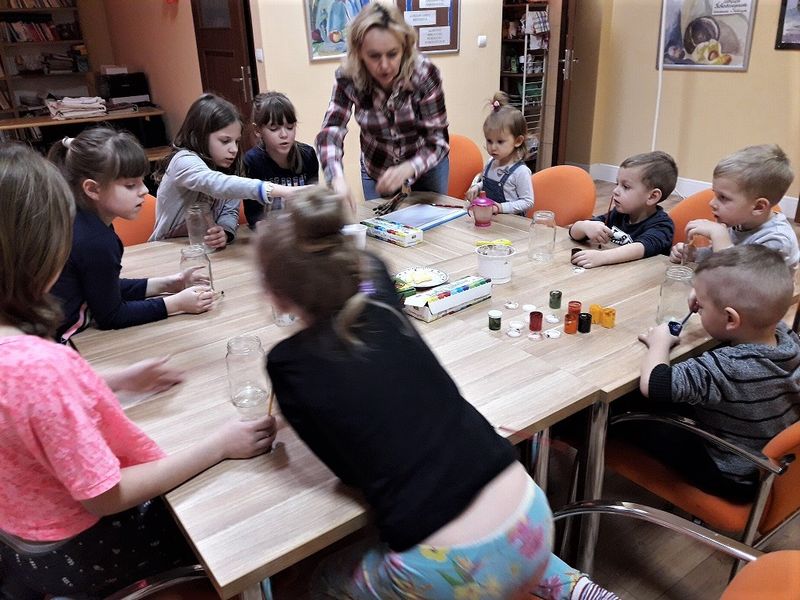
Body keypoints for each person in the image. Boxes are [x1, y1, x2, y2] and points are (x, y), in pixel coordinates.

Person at [256, 187, 617, 600]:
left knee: (326, 578)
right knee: (504, 556)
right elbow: (371, 266)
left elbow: (349, 474)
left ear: (276, 295)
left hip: (447, 566)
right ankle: (568, 585)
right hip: (531, 514)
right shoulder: (381, 298)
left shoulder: (287, 364)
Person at [0, 143, 277, 599]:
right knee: (234, 512)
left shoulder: (21, 354)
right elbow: (104, 495)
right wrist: (219, 446)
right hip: (79, 551)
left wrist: (114, 379)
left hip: (24, 545)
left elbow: (25, 400)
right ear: (41, 249)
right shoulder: (42, 367)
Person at [633, 245, 800, 501]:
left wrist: (659, 343)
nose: (696, 308)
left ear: (731, 320)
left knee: (630, 411)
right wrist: (708, 295)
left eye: (701, 306)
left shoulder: (728, 366)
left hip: (731, 474)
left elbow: (655, 385)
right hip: (769, 466)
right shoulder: (786, 338)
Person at [48, 128, 214, 344]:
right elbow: (111, 315)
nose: (144, 190)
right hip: (58, 343)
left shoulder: (82, 221)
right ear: (92, 189)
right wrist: (176, 304)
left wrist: (169, 284)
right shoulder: (95, 241)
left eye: (142, 181)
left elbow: (102, 287)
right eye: (130, 185)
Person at [316, 2, 450, 208]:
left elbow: (437, 140)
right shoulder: (348, 76)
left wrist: (408, 168)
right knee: (379, 224)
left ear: (404, 48)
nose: (385, 65)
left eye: (392, 54)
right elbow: (331, 131)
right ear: (359, 53)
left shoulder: (424, 74)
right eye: (374, 56)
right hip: (377, 165)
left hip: (425, 163)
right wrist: (336, 179)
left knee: (433, 222)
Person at [151, 93, 303, 247]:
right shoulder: (183, 161)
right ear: (199, 135)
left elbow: (229, 211)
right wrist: (281, 190)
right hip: (165, 248)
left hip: (206, 250)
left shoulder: (229, 166)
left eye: (236, 142)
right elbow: (216, 183)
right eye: (225, 141)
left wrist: (224, 231)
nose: (234, 149)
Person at [670, 144, 798, 269]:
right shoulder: (741, 222)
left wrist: (719, 236)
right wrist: (695, 255)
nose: (712, 203)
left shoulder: (776, 241)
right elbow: (719, 254)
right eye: (715, 194)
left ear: (758, 207)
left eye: (723, 197)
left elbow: (738, 277)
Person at [569, 151, 677, 268]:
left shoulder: (662, 225)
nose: (615, 191)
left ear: (652, 196)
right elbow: (574, 233)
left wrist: (602, 257)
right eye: (617, 184)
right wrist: (584, 226)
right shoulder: (618, 214)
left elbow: (641, 247)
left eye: (626, 187)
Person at [243, 91, 318, 229]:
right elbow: (254, 216)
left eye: (290, 127)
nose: (284, 135)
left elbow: (312, 204)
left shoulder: (308, 155)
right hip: (272, 233)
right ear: (258, 130)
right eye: (274, 129)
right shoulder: (252, 161)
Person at [465, 92, 534, 216]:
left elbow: (527, 201)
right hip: (490, 219)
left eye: (500, 142)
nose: (493, 147)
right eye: (489, 141)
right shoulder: (491, 162)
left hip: (510, 224)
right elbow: (487, 184)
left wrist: (501, 208)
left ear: (518, 141)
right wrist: (477, 187)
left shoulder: (521, 172)